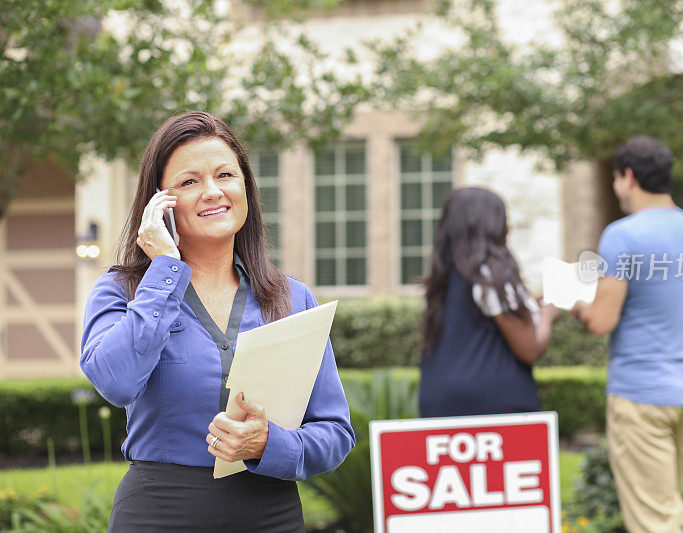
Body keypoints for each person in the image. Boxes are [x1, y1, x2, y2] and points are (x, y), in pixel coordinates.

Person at [80, 111, 354, 532]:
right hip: (160, 515)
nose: (212, 192)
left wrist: (269, 444)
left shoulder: (291, 297)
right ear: (159, 205)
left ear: (245, 187)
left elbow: (335, 432)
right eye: (189, 182)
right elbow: (115, 382)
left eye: (225, 175)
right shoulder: (123, 290)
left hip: (271, 515)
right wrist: (165, 268)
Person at [571, 136, 683, 533]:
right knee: (669, 510)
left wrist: (577, 302)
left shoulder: (623, 236)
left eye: (617, 178)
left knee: (654, 522)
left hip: (641, 396)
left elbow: (602, 320)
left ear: (628, 177)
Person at [418, 187, 561, 417]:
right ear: (492, 227)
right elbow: (529, 348)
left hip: (439, 405)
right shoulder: (491, 275)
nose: (509, 227)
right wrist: (548, 314)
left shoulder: (443, 279)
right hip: (494, 408)